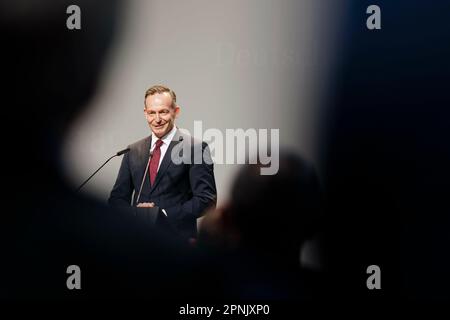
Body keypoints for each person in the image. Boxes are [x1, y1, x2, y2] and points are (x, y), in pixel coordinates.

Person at [108, 85, 217, 241]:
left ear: (176, 112)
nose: (157, 119)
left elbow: (206, 200)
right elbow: (117, 199)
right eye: (152, 113)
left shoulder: (196, 148)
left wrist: (161, 215)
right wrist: (135, 214)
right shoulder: (133, 150)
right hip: (136, 241)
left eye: (163, 112)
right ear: (145, 114)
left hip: (177, 242)